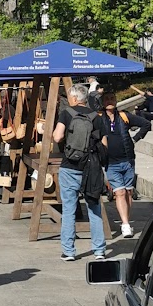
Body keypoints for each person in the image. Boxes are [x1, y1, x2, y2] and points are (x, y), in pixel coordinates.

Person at [52, 82, 106, 263]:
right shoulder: (96, 117)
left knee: (69, 209)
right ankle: (99, 250)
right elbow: (104, 144)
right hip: (90, 168)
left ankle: (69, 251)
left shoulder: (66, 113)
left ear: (74, 98)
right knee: (94, 208)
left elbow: (58, 136)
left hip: (69, 166)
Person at [97, 93, 136, 238]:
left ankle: (125, 218)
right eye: (107, 99)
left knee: (128, 193)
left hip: (127, 161)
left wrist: (136, 139)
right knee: (119, 193)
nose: (109, 101)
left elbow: (146, 124)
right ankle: (125, 224)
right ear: (102, 102)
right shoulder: (99, 118)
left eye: (112, 99)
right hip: (111, 163)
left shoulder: (123, 116)